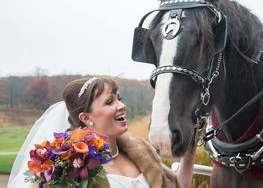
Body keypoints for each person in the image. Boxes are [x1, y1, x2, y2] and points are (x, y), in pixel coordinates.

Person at [8, 76, 194, 188]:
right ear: (86, 118)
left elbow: (179, 186)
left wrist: (191, 148)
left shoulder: (141, 152)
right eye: (109, 102)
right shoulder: (69, 167)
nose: (122, 106)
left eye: (118, 99)